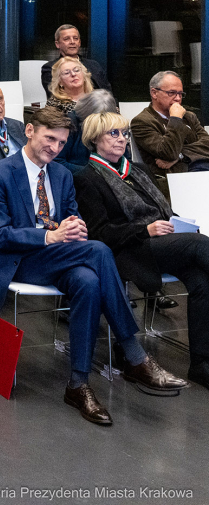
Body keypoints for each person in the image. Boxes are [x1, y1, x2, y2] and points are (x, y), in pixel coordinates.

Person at [0, 107, 188, 425]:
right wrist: (50, 235)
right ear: (29, 131)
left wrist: (75, 228)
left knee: (87, 281)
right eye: (50, 139)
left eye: (61, 143)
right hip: (17, 261)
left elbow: (75, 216)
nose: (55, 148)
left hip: (63, 255)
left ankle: (78, 384)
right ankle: (134, 353)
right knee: (99, 251)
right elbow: (1, 236)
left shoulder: (61, 174)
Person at [74, 110, 209, 389]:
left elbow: (164, 212)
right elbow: (99, 234)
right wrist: (144, 230)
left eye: (124, 134)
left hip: (164, 245)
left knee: (201, 280)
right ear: (94, 138)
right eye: (114, 133)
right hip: (132, 250)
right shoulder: (87, 178)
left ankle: (201, 364)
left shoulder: (138, 169)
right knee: (200, 244)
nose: (121, 139)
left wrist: (179, 224)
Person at [131, 70, 209, 176]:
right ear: (154, 93)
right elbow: (168, 153)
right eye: (171, 93)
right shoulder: (142, 122)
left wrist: (181, 156)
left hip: (201, 169)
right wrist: (175, 119)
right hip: (174, 179)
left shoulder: (189, 116)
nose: (177, 98)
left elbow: (206, 144)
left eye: (180, 94)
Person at [54, 90, 119, 173]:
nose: (99, 127)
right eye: (96, 121)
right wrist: (92, 173)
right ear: (85, 114)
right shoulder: (68, 123)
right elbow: (57, 162)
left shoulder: (114, 124)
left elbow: (126, 161)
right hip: (76, 179)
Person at [41, 24, 111, 98]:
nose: (72, 42)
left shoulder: (94, 65)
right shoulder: (50, 68)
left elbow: (108, 92)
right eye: (66, 39)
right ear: (57, 44)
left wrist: (114, 107)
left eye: (75, 38)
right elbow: (54, 97)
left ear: (79, 43)